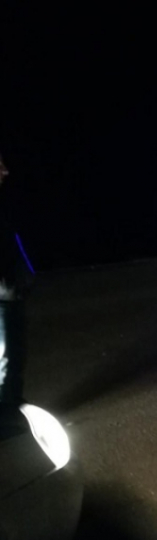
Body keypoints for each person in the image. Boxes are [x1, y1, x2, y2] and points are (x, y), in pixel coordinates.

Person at [0, 151, 33, 416]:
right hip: (4, 295)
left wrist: (25, 275)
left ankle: (10, 408)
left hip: (11, 293)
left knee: (13, 355)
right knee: (6, 358)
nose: (6, 171)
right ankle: (5, 416)